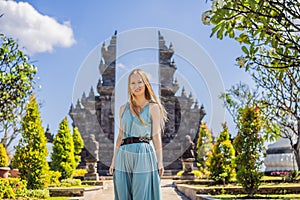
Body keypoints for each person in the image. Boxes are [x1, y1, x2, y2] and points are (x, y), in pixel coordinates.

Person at [109, 69, 167, 200]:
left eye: (140, 82)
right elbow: (120, 136)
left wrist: (160, 162)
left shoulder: (153, 107)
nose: (137, 86)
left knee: (141, 195)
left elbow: (156, 136)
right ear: (129, 86)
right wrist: (113, 161)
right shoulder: (123, 108)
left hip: (143, 152)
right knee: (123, 195)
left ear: (146, 83)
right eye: (132, 83)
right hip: (123, 154)